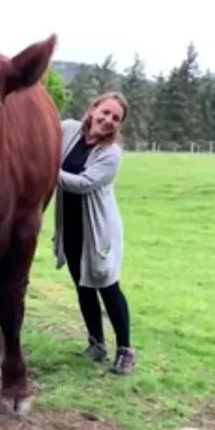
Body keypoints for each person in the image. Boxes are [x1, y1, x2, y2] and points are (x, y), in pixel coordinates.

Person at [52, 91, 137, 375]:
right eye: (105, 112)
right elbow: (43, 135)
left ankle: (125, 349)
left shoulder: (111, 154)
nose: (108, 119)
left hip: (99, 232)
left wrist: (46, 170)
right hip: (71, 226)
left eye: (116, 118)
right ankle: (96, 343)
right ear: (92, 109)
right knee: (83, 285)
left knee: (107, 286)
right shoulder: (68, 130)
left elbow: (83, 183)